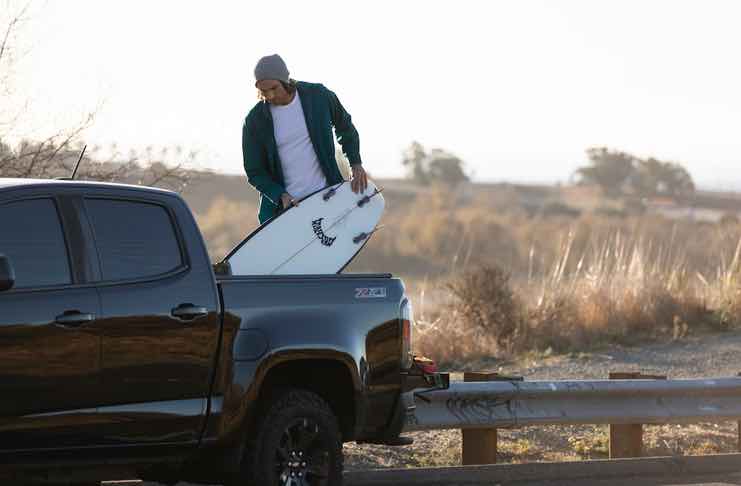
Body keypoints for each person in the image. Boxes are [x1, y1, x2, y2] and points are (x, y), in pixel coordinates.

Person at [242, 54, 368, 224]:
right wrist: (280, 195)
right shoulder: (255, 121)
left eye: (274, 88)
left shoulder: (318, 97)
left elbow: (345, 126)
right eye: (264, 91)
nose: (270, 96)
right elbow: (254, 170)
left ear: (285, 81)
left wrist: (355, 163)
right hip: (285, 211)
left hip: (328, 198)